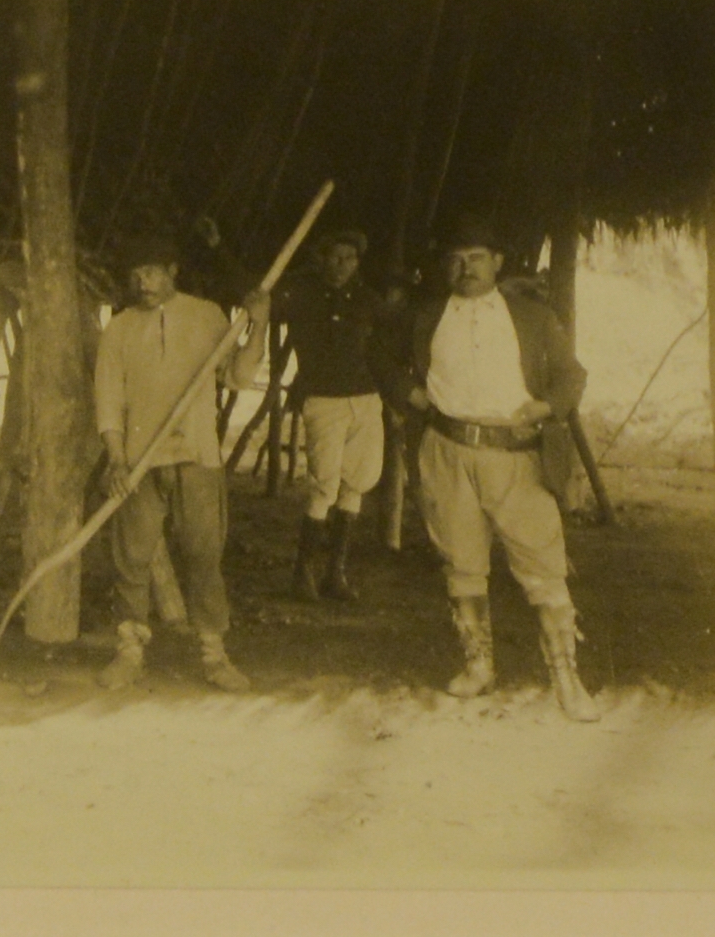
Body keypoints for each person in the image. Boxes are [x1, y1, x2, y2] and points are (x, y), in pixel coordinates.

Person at [390, 214, 601, 720]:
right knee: (462, 564)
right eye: (457, 260)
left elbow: (571, 375)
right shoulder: (426, 314)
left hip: (516, 455)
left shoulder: (532, 316)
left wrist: (546, 406)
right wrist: (407, 392)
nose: (466, 269)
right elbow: (379, 352)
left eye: (477, 259)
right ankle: (478, 666)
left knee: (543, 567)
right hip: (448, 450)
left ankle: (567, 680)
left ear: (498, 262)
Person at [91, 231, 271, 692]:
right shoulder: (120, 329)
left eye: (152, 272)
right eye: (136, 274)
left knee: (204, 556)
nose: (143, 282)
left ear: (173, 270)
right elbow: (109, 400)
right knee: (131, 558)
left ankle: (213, 655)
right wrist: (117, 460)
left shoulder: (207, 316)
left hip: (196, 455)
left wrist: (259, 325)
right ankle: (129, 652)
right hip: (138, 463)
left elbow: (238, 377)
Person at [272, 226, 390, 603]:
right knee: (324, 484)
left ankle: (334, 573)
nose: (341, 265)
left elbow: (389, 343)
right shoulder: (302, 296)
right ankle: (302, 573)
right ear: (322, 259)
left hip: (365, 399)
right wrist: (218, 249)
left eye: (349, 258)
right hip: (323, 400)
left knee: (356, 482)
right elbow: (259, 291)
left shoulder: (368, 301)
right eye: (335, 257)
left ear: (357, 262)